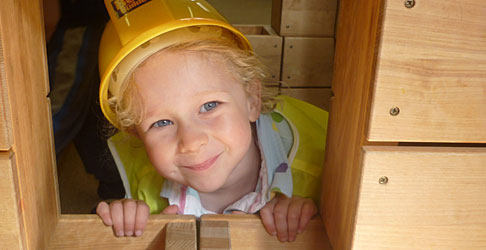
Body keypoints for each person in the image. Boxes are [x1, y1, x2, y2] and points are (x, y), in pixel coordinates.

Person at [95, 0, 328, 243]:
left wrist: (323, 214)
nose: (192, 142)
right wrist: (126, 222)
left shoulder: (320, 160)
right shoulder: (145, 182)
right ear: (136, 134)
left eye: (209, 106)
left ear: (252, 100)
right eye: (162, 122)